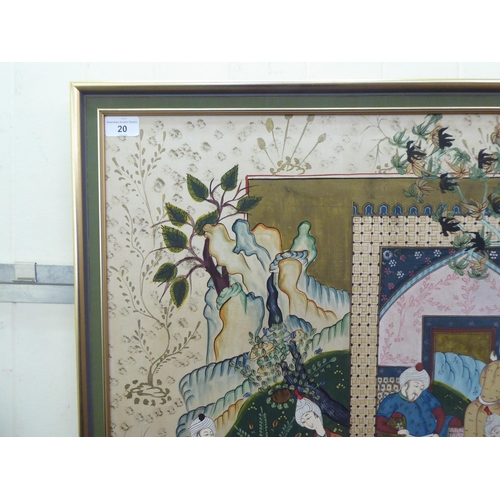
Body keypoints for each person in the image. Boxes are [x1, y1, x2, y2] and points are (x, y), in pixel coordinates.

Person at [376, 362, 462, 437]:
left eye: (421, 388)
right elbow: (379, 423)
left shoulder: (425, 395)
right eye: (416, 386)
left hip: (434, 435)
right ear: (405, 384)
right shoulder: (392, 400)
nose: (418, 391)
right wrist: (397, 432)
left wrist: (437, 432)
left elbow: (440, 414)